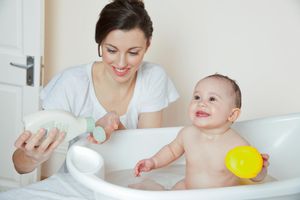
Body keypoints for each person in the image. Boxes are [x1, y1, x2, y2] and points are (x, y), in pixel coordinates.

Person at [12, 0, 179, 174]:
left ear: (148, 45)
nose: (121, 63)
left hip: (127, 181)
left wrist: (114, 126)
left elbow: (146, 154)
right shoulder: (72, 83)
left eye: (133, 52)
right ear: (100, 43)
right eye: (112, 50)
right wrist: (33, 157)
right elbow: (19, 166)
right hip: (77, 181)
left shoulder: (153, 77)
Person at [133, 74, 269, 190]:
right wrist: (153, 162)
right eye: (197, 97)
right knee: (173, 191)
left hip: (219, 196)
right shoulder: (187, 134)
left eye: (212, 99)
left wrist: (259, 169)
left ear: (232, 115)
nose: (201, 103)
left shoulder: (237, 145)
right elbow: (171, 151)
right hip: (188, 188)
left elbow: (254, 176)